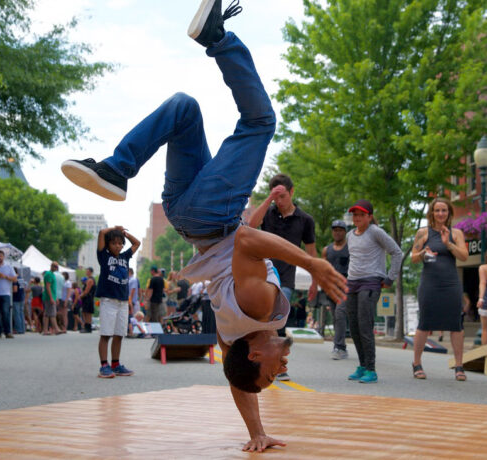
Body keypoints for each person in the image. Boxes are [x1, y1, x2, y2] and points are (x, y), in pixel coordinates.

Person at [61, 1, 346, 451]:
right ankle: (117, 170)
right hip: (187, 214)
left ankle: (217, 37)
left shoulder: (262, 308)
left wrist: (314, 262)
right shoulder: (235, 341)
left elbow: (249, 241)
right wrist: (257, 433)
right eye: (277, 376)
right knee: (184, 108)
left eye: (274, 370)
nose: (281, 366)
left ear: (257, 353)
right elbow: (240, 381)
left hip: (211, 219)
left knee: (259, 122)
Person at [248, 173, 317, 381]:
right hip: (264, 274)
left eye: (283, 196)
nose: (280, 201)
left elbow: (311, 253)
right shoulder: (268, 214)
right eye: (276, 197)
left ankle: (279, 364)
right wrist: (268, 199)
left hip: (286, 277)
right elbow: (251, 226)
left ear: (292, 192)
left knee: (277, 318)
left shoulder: (305, 220)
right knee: (264, 320)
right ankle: (266, 361)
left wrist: (315, 280)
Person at [345, 199, 403, 384]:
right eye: (355, 214)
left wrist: (390, 277)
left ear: (369, 216)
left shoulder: (376, 232)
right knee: (353, 326)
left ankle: (371, 369)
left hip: (370, 283)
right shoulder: (349, 235)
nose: (357, 218)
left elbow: (397, 252)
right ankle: (362, 366)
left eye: (361, 214)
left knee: (364, 324)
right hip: (352, 283)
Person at [411, 198, 468, 381]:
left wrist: (448, 244)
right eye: (437, 210)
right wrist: (423, 253)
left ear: (449, 213)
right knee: (424, 323)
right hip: (430, 284)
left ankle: (459, 366)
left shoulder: (456, 233)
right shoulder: (423, 232)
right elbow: (413, 257)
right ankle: (417, 363)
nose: (441, 214)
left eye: (444, 210)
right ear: (432, 213)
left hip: (451, 284)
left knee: (456, 324)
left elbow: (464, 257)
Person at [95, 226, 140, 378]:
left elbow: (137, 243)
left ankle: (115, 364)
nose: (118, 246)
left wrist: (125, 234)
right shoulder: (104, 256)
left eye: (120, 243)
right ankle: (104, 366)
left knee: (119, 334)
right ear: (108, 245)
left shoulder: (125, 257)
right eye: (114, 243)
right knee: (106, 334)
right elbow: (102, 233)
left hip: (122, 302)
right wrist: (115, 229)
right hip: (109, 301)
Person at [321, 220, 350, 360]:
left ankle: (339, 347)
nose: (337, 232)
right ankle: (342, 345)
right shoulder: (327, 250)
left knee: (340, 313)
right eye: (335, 230)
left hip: (346, 286)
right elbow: (323, 269)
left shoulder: (350, 248)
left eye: (340, 230)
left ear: (345, 232)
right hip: (331, 287)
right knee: (336, 317)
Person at [0, 250, 17, 339]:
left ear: (3, 257)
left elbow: (15, 279)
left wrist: (5, 277)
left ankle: (7, 332)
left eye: (1, 256)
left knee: (5, 312)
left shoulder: (9, 267)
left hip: (5, 294)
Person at [42, 262, 61, 335]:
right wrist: (51, 298)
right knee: (52, 313)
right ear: (51, 266)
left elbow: (52, 288)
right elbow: (48, 286)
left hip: (51, 296)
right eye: (55, 266)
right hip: (49, 297)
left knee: (47, 314)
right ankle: (56, 329)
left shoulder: (52, 274)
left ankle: (45, 330)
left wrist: (55, 298)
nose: (56, 268)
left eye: (57, 267)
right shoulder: (49, 274)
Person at [79, 268, 96, 333]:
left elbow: (86, 291)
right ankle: (87, 326)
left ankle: (88, 327)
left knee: (87, 313)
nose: (86, 272)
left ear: (91, 272)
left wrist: (80, 296)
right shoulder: (89, 279)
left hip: (88, 298)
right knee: (86, 312)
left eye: (88, 271)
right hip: (88, 298)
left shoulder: (90, 280)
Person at [12, 267, 26, 334]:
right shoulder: (21, 278)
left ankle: (18, 329)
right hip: (21, 297)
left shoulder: (15, 279)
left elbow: (15, 290)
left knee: (16, 314)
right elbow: (23, 289)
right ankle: (22, 328)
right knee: (21, 313)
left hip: (16, 298)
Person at [478, 266, 487, 346]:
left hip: (486, 299)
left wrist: (480, 298)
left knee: (485, 329)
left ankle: (485, 354)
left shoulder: (483, 268)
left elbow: (482, 283)